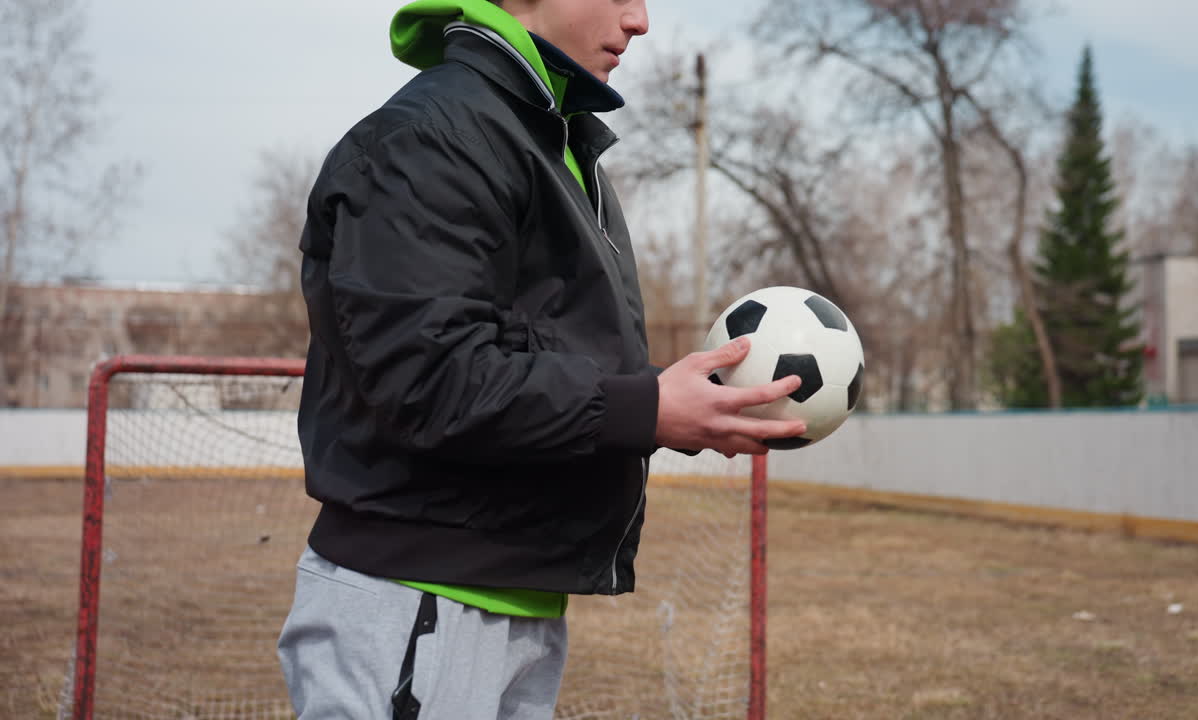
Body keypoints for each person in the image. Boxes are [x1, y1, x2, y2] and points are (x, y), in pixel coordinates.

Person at [277, 0, 806, 718]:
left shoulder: (550, 139)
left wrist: (669, 403)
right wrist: (644, 408)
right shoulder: (431, 137)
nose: (641, 20)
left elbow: (536, 357)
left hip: (514, 600)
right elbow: (431, 379)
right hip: (419, 599)